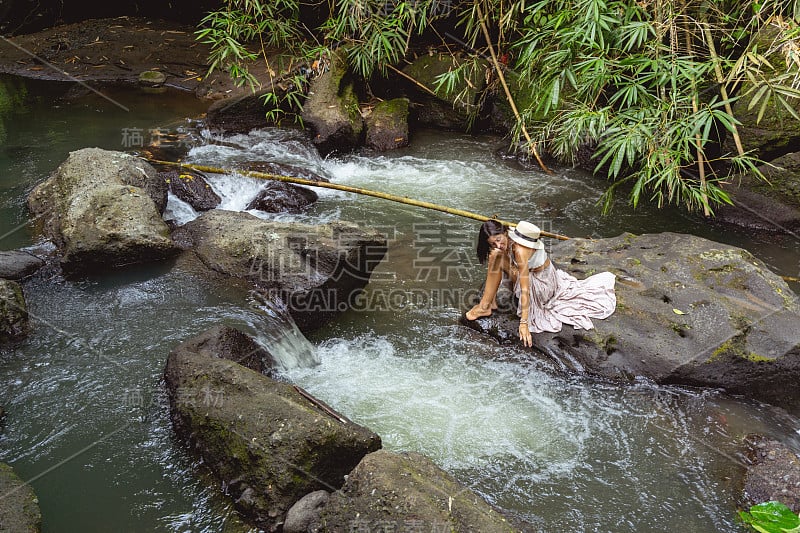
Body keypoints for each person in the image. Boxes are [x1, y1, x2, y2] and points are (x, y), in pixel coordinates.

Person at [465, 220, 616, 347]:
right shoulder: (511, 232)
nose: (498, 244)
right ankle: (488, 303)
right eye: (493, 243)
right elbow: (500, 246)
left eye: (499, 240)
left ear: (504, 233)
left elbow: (525, 289)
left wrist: (524, 323)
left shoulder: (520, 251)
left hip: (542, 284)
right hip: (546, 275)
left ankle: (485, 306)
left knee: (496, 257)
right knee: (495, 254)